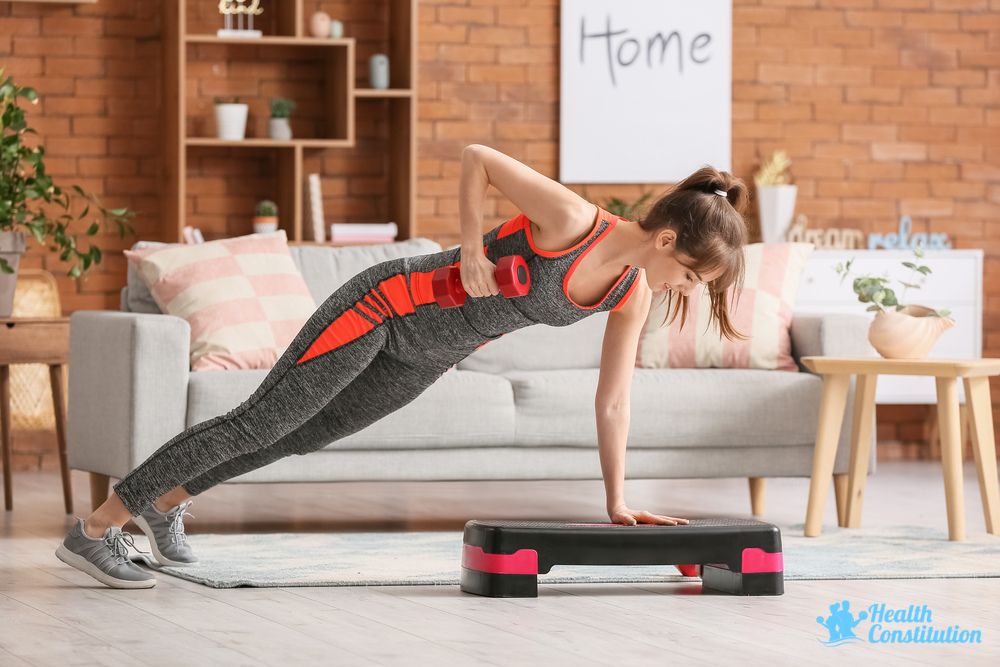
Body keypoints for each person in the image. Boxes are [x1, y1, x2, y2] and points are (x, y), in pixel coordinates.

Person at [55, 144, 749, 588]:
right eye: (691, 276)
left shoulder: (630, 291)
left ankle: (165, 504)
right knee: (261, 418)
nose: (687, 291)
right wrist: (471, 247)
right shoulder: (571, 220)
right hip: (385, 305)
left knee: (299, 434)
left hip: (430, 354)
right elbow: (478, 157)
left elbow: (614, 402)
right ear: (664, 239)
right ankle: (95, 528)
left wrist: (616, 500)